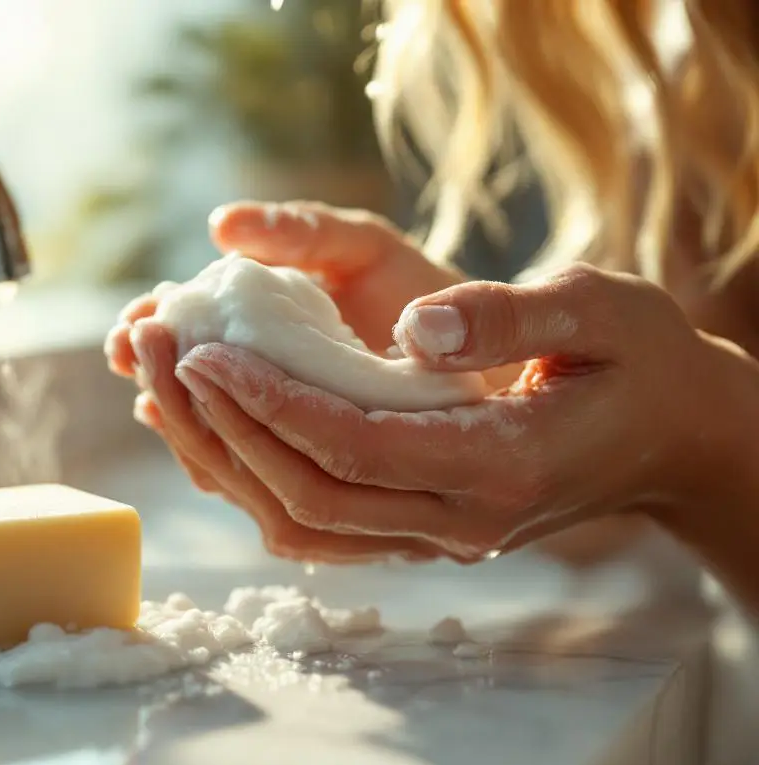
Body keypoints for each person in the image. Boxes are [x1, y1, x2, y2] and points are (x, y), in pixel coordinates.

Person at [104, 0, 759, 617]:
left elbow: (701, 427)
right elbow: (651, 482)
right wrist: (519, 399)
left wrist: (703, 440)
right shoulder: (684, 58)